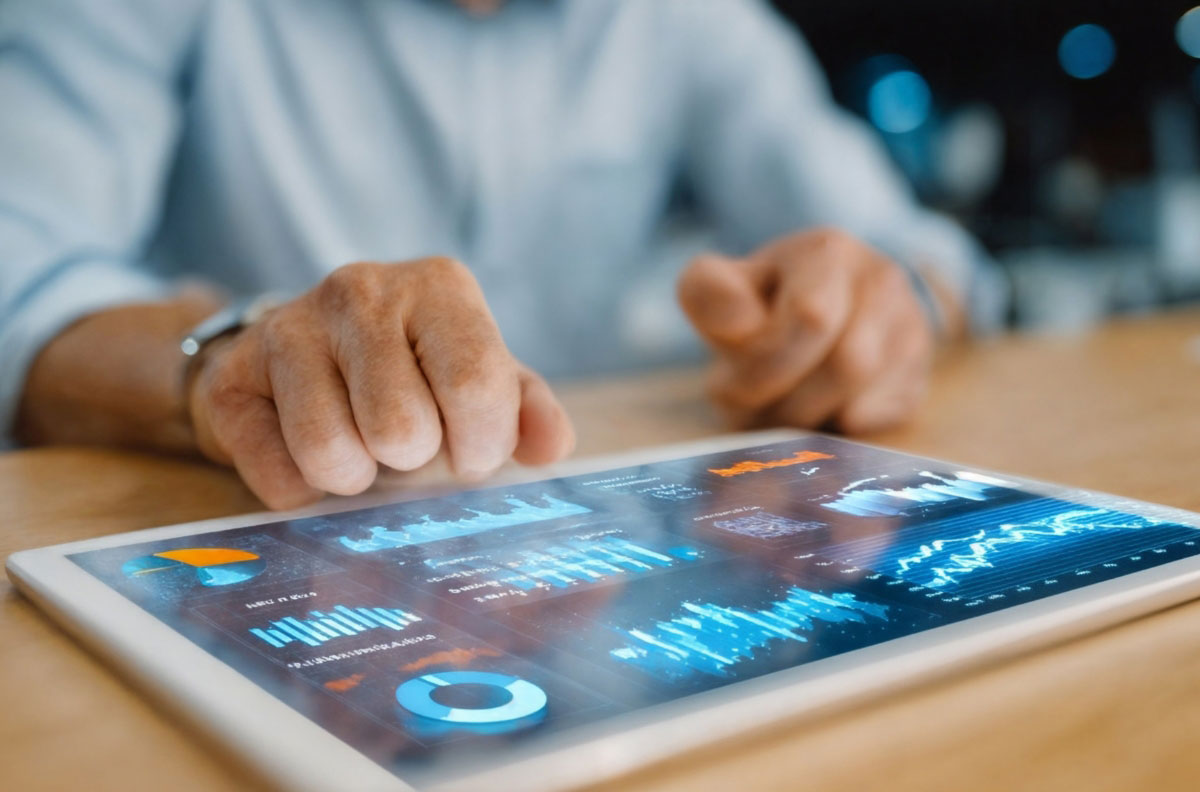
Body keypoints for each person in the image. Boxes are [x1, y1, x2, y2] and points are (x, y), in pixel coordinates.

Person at [0, 0, 1002, 509]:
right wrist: (228, 359)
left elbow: (913, 250)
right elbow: (19, 275)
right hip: (267, 546)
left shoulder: (690, 20)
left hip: (592, 573)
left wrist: (887, 304)